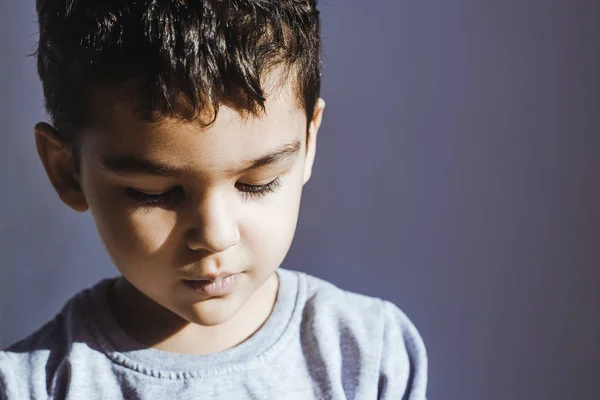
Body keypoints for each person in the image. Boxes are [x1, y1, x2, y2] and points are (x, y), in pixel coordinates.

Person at [0, 1, 427, 398]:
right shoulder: (32, 385)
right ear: (66, 171)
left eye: (258, 183)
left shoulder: (370, 353)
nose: (216, 236)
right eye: (157, 193)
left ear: (308, 143)